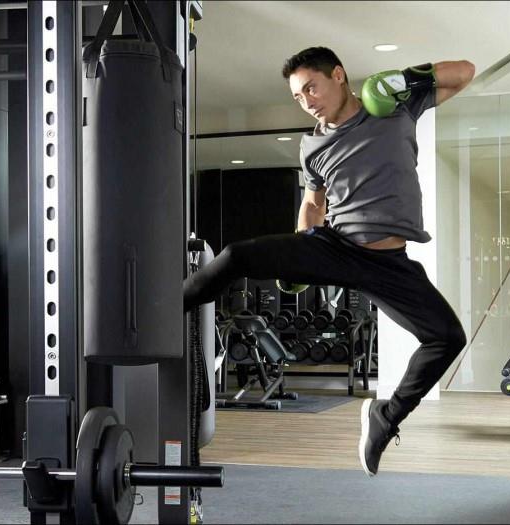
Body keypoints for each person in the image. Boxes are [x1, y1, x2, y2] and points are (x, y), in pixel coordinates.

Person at [183, 46, 475, 476]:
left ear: (338, 75)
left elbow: (465, 72)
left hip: (389, 264)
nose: (307, 102)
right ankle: (165, 312)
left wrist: (406, 78)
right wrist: (303, 246)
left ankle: (385, 417)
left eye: (311, 88)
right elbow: (312, 202)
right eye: (297, 96)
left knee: (447, 338)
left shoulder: (393, 108)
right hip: (335, 247)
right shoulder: (312, 145)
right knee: (236, 256)